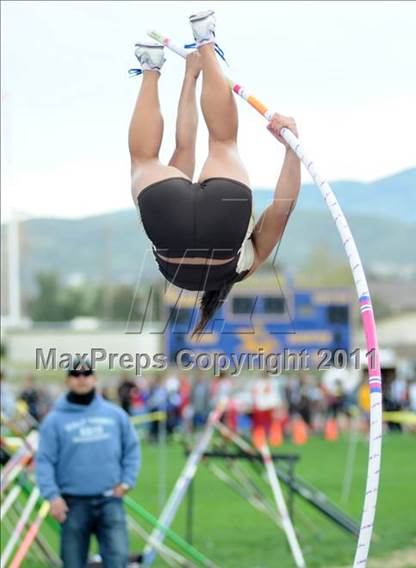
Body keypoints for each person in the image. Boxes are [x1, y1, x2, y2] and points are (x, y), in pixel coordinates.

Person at [129, 9, 301, 336]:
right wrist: (188, 78)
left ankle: (205, 40)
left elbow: (282, 208)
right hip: (171, 230)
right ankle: (150, 66)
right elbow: (183, 149)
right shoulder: (177, 272)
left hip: (224, 221)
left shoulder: (243, 269)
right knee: (144, 160)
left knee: (223, 143)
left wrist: (291, 150)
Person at [35, 357, 140, 568]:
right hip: (73, 504)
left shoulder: (115, 415)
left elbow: (132, 449)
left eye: (86, 374)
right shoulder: (54, 421)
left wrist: (127, 481)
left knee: (118, 560)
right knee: (73, 563)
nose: (81, 379)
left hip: (110, 501)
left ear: (95, 378)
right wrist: (52, 497)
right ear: (67, 381)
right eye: (75, 374)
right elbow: (44, 461)